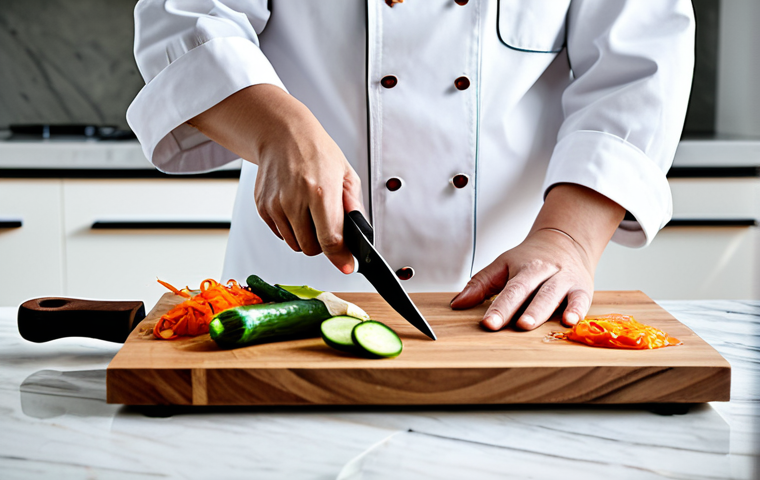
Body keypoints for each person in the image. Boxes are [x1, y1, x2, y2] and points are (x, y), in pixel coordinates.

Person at [127, 0, 694, 332]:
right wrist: (278, 130)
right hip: (289, 301)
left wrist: (567, 238)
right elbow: (186, 17)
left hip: (517, 294)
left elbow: (641, 66)